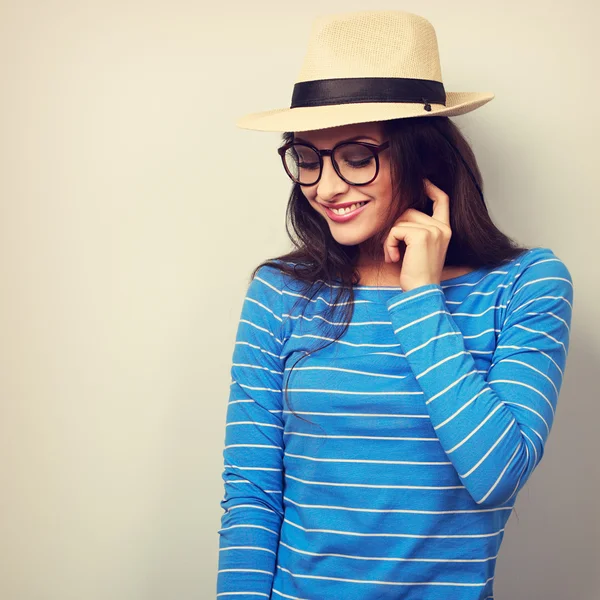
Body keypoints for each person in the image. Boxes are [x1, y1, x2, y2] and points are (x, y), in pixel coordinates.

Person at [216, 10, 574, 600]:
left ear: (424, 156)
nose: (325, 187)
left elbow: (496, 474)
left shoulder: (525, 285)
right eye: (308, 157)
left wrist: (421, 300)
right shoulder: (281, 292)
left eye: (356, 155)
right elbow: (252, 491)